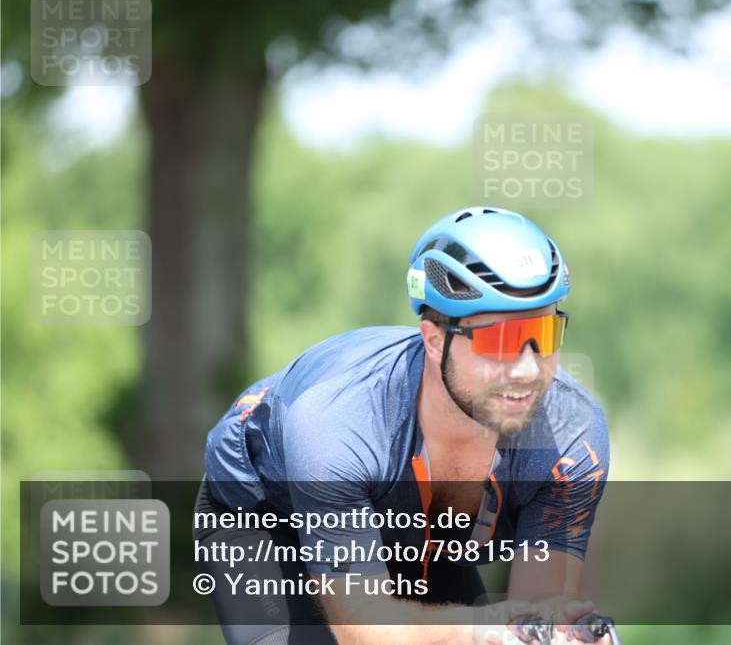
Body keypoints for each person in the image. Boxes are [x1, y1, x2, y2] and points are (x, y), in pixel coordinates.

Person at [198, 207, 612, 645]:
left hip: (420, 529)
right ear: (435, 340)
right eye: (502, 341)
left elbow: (535, 621)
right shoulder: (337, 426)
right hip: (269, 513)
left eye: (545, 335)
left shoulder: (571, 436)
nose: (529, 369)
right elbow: (363, 628)